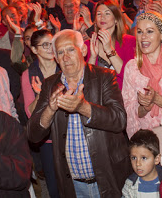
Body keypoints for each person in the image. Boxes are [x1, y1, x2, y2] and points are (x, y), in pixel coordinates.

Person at [27, 29, 131, 197]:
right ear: (55, 57)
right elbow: (33, 135)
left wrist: (83, 107)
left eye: (70, 49)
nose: (65, 56)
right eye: (60, 52)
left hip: (106, 178)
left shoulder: (104, 76)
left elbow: (119, 120)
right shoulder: (50, 85)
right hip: (72, 185)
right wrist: (50, 109)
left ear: (83, 51)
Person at [21, 29, 60, 198]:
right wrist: (40, 94)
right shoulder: (28, 74)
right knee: (54, 184)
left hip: (71, 132)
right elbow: (29, 112)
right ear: (34, 50)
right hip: (48, 139)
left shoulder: (64, 65)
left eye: (52, 43)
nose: (51, 48)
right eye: (45, 45)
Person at [85, 0, 136, 88]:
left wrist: (109, 50)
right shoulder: (88, 44)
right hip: (97, 99)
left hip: (123, 97)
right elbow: (86, 81)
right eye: (99, 14)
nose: (102, 17)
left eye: (107, 13)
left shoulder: (129, 41)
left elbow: (130, 77)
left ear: (116, 19)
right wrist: (93, 57)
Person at [122, 129, 162, 198]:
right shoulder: (130, 185)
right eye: (134, 158)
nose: (138, 163)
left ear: (156, 159)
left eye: (143, 158)